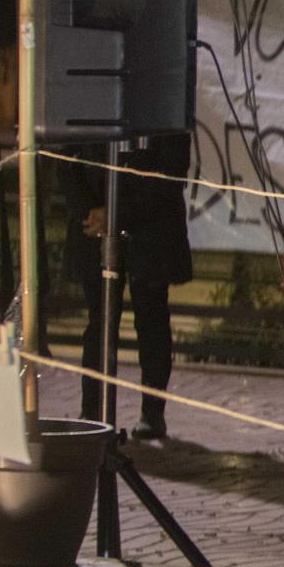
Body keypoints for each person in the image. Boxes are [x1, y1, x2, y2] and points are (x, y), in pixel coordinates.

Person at [64, 132, 194, 441]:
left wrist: (117, 213)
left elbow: (170, 172)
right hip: (95, 228)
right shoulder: (89, 94)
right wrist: (91, 211)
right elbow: (68, 160)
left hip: (150, 232)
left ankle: (152, 411)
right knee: (99, 322)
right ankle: (93, 411)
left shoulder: (162, 98)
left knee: (151, 319)